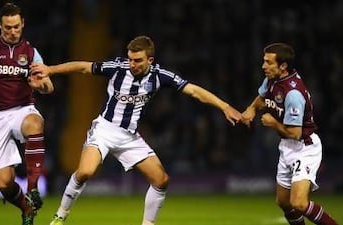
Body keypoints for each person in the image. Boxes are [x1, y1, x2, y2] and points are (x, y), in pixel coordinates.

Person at [30, 35, 241, 225]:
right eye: (130, 59)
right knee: (85, 171)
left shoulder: (160, 76)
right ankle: (60, 216)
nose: (132, 64)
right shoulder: (118, 68)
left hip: (129, 137)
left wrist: (224, 106)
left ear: (150, 60)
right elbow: (83, 67)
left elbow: (194, 91)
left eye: (137, 60)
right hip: (105, 129)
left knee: (161, 180)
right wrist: (50, 69)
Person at [0, 3, 54, 225]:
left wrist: (39, 85)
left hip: (22, 110)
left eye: (16, 26)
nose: (12, 31)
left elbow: (48, 86)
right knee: (5, 184)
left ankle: (33, 189)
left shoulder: (32, 52)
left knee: (35, 123)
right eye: (7, 28)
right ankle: (26, 208)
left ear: (22, 24)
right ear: (0, 25)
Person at [241, 43, 338, 225]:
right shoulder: (272, 79)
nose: (263, 66)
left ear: (283, 66)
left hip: (304, 147)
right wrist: (251, 109)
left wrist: (273, 123)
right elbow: (262, 97)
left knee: (299, 203)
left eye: (268, 62)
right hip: (287, 146)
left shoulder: (293, 94)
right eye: (264, 61)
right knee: (284, 202)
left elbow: (295, 133)